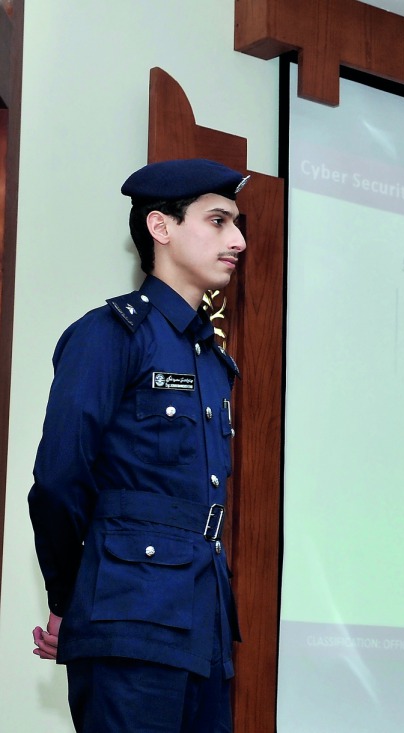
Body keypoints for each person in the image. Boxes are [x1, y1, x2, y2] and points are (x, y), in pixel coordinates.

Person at [28, 158, 249, 732]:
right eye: (220, 221)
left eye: (236, 224)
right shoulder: (109, 336)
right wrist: (72, 598)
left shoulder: (212, 360)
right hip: (130, 623)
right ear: (161, 227)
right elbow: (58, 480)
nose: (239, 240)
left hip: (203, 631)